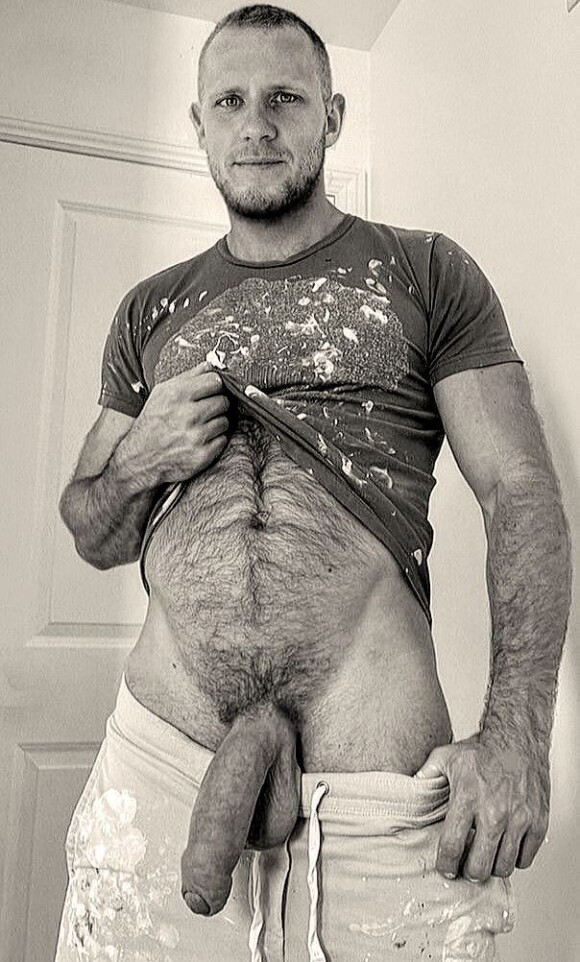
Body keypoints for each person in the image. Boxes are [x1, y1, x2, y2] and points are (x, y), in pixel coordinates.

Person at [54, 5, 571, 961]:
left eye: (285, 98)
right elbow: (92, 528)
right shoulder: (149, 311)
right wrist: (141, 456)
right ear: (199, 125)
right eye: (230, 101)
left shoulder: (426, 272)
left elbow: (520, 492)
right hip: (161, 777)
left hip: (379, 802)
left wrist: (519, 739)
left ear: (331, 117)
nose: (256, 125)